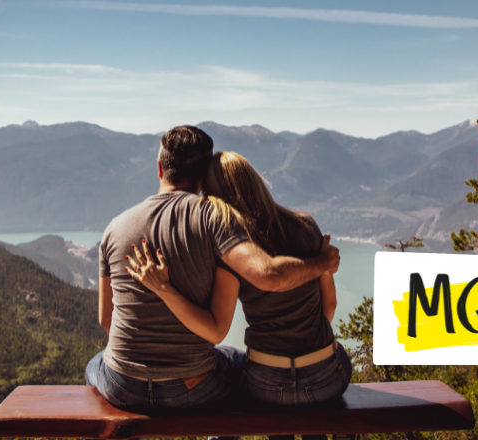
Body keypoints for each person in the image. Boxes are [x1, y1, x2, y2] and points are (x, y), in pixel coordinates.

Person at [85, 126, 341, 413]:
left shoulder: (113, 229)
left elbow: (107, 320)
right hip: (193, 387)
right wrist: (323, 263)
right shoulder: (214, 220)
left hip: (123, 385)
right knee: (233, 361)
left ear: (159, 168)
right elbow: (266, 279)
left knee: (96, 363)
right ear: (203, 175)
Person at [126, 151, 352, 435]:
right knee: (335, 365)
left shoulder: (234, 253)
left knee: (231, 372)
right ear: (255, 181)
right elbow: (329, 306)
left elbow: (218, 324)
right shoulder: (306, 226)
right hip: (325, 377)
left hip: (266, 382)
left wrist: (165, 288)